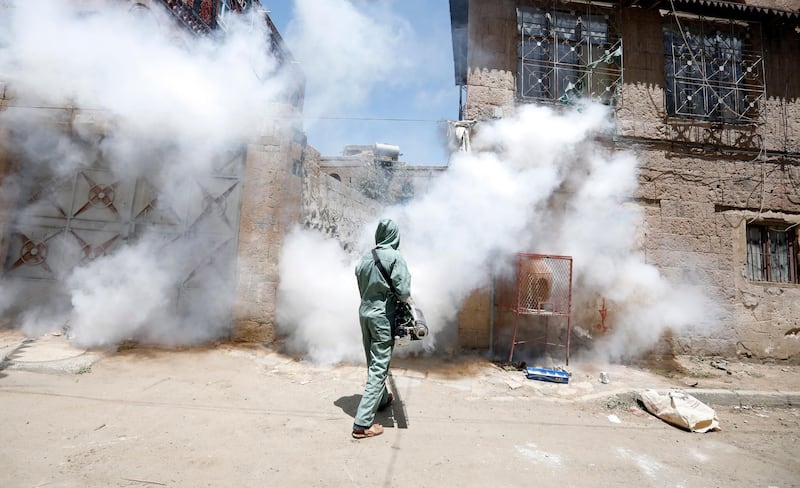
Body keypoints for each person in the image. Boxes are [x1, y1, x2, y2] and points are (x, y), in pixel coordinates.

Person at [351, 218, 411, 439]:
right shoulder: (395, 258)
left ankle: (383, 398)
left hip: (364, 313)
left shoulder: (365, 258)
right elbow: (404, 292)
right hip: (382, 318)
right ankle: (362, 424)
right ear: (394, 236)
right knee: (379, 366)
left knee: (372, 360)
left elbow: (360, 285)